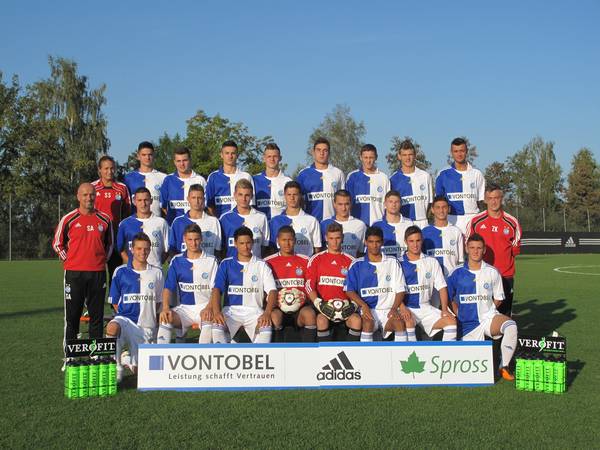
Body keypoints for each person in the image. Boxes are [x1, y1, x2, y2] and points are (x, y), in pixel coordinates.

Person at [447, 233, 517, 381]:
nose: (475, 251)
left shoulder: (492, 271)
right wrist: (456, 311)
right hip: (466, 324)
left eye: (479, 248)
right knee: (466, 369)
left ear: (484, 250)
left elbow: (498, 298)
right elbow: (448, 297)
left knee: (511, 325)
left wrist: (488, 309)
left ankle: (503, 366)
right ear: (466, 249)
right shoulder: (456, 272)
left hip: (488, 319)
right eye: (472, 247)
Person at [53, 183, 113, 352]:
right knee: (72, 317)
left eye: (92, 194)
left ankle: (94, 354)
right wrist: (69, 261)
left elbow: (109, 245)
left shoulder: (105, 219)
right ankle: (70, 356)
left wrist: (100, 261)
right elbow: (58, 244)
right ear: (78, 197)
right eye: (85, 195)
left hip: (97, 274)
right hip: (74, 273)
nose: (89, 198)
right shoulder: (69, 218)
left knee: (97, 317)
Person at [106, 233, 163, 381]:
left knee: (142, 374)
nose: (142, 252)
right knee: (112, 327)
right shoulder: (120, 271)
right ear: (132, 249)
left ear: (150, 250)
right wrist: (123, 315)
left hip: (146, 326)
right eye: (139, 249)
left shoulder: (157, 273)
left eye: (146, 249)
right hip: (125, 321)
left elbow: (158, 302)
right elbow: (115, 301)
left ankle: (127, 360)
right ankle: (116, 365)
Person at [210, 226, 278, 343]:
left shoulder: (261, 265)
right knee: (217, 327)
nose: (245, 247)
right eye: (241, 243)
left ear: (252, 243)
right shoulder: (226, 264)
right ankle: (223, 358)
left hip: (255, 311)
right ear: (235, 244)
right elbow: (216, 290)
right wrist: (216, 312)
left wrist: (267, 313)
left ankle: (258, 359)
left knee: (266, 328)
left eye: (248, 243)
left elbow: (272, 291)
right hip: (231, 311)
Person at [344, 226, 410, 342]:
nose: (374, 245)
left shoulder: (393, 262)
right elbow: (349, 290)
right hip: (368, 310)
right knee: (368, 323)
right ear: (365, 242)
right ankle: (366, 357)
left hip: (388, 310)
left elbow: (400, 290)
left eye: (377, 242)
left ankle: (402, 357)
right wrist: (363, 306)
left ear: (382, 242)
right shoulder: (357, 264)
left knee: (399, 323)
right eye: (371, 242)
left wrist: (394, 308)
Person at [156, 224, 219, 344]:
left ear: (201, 239)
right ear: (184, 239)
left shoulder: (212, 261)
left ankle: (202, 357)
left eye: (196, 239)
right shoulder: (176, 260)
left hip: (205, 306)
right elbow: (168, 287)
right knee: (165, 318)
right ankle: (160, 357)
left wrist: (209, 307)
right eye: (190, 239)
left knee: (208, 319)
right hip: (184, 309)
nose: (193, 243)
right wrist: (165, 307)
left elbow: (215, 290)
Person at [466, 184, 522, 316]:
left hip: (505, 276)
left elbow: (514, 251)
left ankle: (503, 336)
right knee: (481, 314)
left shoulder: (512, 222)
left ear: (502, 198)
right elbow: (467, 247)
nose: (493, 201)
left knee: (504, 315)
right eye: (490, 198)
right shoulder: (475, 221)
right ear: (485, 200)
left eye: (496, 197)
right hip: (481, 275)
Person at [399, 226, 457, 341]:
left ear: (422, 241)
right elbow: (393, 291)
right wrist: (402, 307)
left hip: (426, 307)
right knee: (409, 323)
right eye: (411, 241)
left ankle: (445, 357)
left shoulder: (431, 261)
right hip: (406, 308)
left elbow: (442, 287)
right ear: (405, 242)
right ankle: (411, 357)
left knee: (451, 322)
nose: (415, 245)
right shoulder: (398, 263)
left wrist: (445, 309)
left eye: (418, 240)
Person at [305, 222, 361, 342]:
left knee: (356, 321)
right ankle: (325, 356)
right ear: (326, 238)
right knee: (321, 321)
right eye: (331, 238)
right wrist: (319, 303)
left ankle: (351, 356)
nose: (334, 242)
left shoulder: (351, 261)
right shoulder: (316, 259)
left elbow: (358, 288)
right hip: (324, 307)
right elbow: (309, 285)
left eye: (337, 238)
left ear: (342, 238)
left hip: (345, 308)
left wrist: (353, 306)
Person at [264, 226, 317, 342]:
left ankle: (309, 351)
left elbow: (310, 286)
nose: (287, 244)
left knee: (310, 315)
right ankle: (277, 354)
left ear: (295, 241)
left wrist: (306, 300)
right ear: (278, 241)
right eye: (283, 240)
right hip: (277, 307)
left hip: (300, 307)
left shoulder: (306, 260)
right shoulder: (268, 262)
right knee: (274, 318)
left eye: (290, 240)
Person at [92, 155, 131, 280]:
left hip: (115, 238)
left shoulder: (122, 188)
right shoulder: (92, 188)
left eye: (112, 168)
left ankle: (114, 299)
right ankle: (95, 300)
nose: (109, 171)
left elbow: (127, 213)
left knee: (115, 274)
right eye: (106, 168)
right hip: (98, 238)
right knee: (97, 274)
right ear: (99, 170)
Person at [435, 137, 485, 234]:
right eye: (456, 151)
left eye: (462, 150)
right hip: (452, 219)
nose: (459, 154)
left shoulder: (477, 174)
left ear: (466, 151)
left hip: (473, 218)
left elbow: (481, 201)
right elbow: (439, 201)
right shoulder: (443, 174)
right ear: (451, 152)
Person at [422, 195, 464, 307]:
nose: (441, 210)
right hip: (432, 281)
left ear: (449, 209)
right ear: (432, 210)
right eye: (438, 207)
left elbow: (460, 262)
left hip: (451, 279)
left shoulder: (456, 231)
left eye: (444, 207)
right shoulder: (425, 232)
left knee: (453, 313)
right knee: (434, 313)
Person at [116, 187, 169, 267]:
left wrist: (157, 264)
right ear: (134, 202)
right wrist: (131, 265)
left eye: (146, 200)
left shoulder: (161, 223)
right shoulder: (125, 224)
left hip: (155, 271)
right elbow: (121, 249)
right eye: (139, 200)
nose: (143, 204)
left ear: (151, 201)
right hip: (133, 272)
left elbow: (167, 249)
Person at [296, 137, 345, 221]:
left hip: (333, 224)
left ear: (329, 153)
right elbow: (298, 200)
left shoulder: (337, 173)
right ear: (313, 152)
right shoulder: (303, 174)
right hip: (309, 222)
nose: (322, 153)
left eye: (325, 150)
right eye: (318, 150)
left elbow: (343, 200)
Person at [269, 181, 322, 257]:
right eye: (289, 195)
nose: (292, 198)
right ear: (284, 196)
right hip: (282, 265)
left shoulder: (312, 220)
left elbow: (317, 248)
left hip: (305, 265)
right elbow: (272, 248)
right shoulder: (275, 221)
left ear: (300, 196)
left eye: (295, 194)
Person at [219, 179, 269, 258]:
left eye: (247, 195)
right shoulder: (225, 218)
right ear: (235, 195)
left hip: (255, 266)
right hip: (232, 267)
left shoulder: (261, 217)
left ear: (252, 196)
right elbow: (221, 248)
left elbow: (265, 245)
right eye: (240, 195)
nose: (244, 199)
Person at [168, 184, 222, 258]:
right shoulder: (178, 222)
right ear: (188, 199)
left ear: (204, 199)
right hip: (184, 267)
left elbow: (217, 250)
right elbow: (172, 249)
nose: (196, 201)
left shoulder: (213, 222)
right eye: (193, 198)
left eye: (199, 198)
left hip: (207, 267)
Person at [389, 140, 433, 228]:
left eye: (410, 155)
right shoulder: (393, 179)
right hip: (403, 223)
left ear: (415, 155)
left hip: (423, 222)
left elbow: (430, 202)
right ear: (399, 156)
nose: (407, 158)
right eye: (404, 155)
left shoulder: (425, 176)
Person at [205, 140, 254, 218]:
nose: (230, 156)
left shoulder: (246, 176)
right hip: (221, 224)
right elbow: (209, 205)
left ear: (237, 155)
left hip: (243, 225)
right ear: (221, 155)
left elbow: (251, 203)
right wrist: (216, 221)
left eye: (233, 153)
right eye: (227, 153)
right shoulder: (213, 177)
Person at [160, 146, 207, 225]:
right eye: (178, 161)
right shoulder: (168, 180)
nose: (182, 164)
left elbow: (205, 205)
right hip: (174, 226)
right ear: (174, 162)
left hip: (196, 228)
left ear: (190, 160)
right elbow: (163, 206)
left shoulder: (200, 180)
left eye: (185, 160)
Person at [346, 144, 390, 226]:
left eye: (371, 157)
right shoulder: (352, 177)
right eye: (366, 157)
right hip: (357, 225)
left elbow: (388, 204)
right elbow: (347, 202)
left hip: (378, 224)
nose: (368, 161)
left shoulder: (383, 177)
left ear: (376, 157)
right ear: (360, 157)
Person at [123, 141, 167, 217]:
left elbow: (166, 206)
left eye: (150, 155)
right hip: (135, 223)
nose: (147, 158)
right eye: (144, 155)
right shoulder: (128, 178)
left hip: (156, 223)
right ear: (138, 156)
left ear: (154, 156)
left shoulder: (163, 177)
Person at [320, 190, 367, 258]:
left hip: (351, 266)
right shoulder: (324, 224)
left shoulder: (360, 225)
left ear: (350, 204)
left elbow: (361, 252)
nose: (343, 208)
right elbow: (320, 250)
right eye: (340, 204)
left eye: (346, 204)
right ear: (334, 204)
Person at [252, 143, 292, 220]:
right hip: (260, 226)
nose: (272, 159)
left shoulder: (287, 181)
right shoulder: (254, 180)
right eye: (269, 156)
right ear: (264, 158)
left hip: (281, 227)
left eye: (275, 156)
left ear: (280, 158)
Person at [372, 190, 414, 258]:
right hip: (385, 265)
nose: (394, 205)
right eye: (390, 202)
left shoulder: (409, 223)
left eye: (396, 202)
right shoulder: (377, 225)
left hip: (405, 265)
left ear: (400, 204)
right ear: (385, 204)